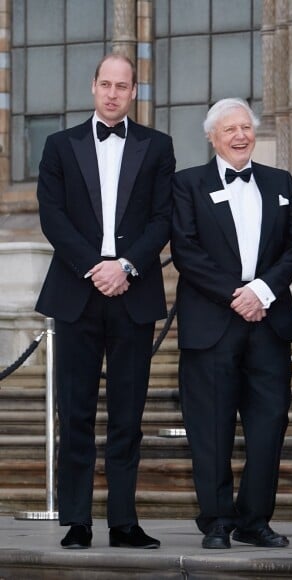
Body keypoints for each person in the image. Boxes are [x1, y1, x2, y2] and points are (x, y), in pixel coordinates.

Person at [35, 53, 175, 549]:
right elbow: (52, 217)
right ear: (93, 87)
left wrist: (127, 267)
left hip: (132, 293)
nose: (113, 93)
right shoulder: (59, 145)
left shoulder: (158, 147)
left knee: (127, 414)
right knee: (74, 412)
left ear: (134, 92)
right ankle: (76, 520)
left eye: (123, 86)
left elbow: (163, 218)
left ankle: (123, 522)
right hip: (77, 291)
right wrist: (95, 267)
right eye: (106, 84)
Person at [171, 98, 292, 549]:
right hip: (212, 324)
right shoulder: (187, 185)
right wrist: (236, 295)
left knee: (269, 425)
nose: (240, 135)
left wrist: (261, 292)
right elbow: (187, 252)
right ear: (212, 137)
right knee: (210, 428)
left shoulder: (280, 182)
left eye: (246, 127)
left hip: (269, 323)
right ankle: (217, 521)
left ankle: (254, 520)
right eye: (229, 129)